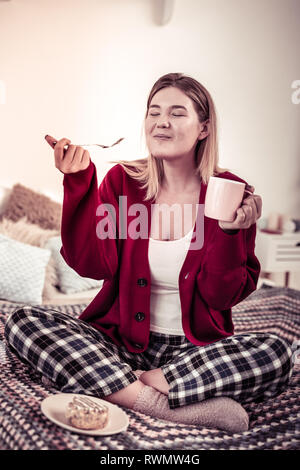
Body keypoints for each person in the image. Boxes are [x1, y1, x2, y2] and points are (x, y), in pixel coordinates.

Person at [5, 73, 293, 433]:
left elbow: (221, 295)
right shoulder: (122, 182)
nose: (161, 121)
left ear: (204, 128)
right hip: (118, 344)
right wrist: (79, 183)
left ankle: (122, 384)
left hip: (194, 352)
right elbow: (91, 265)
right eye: (153, 112)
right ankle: (161, 404)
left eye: (176, 113)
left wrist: (230, 232)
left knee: (278, 352)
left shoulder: (231, 191)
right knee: (23, 322)